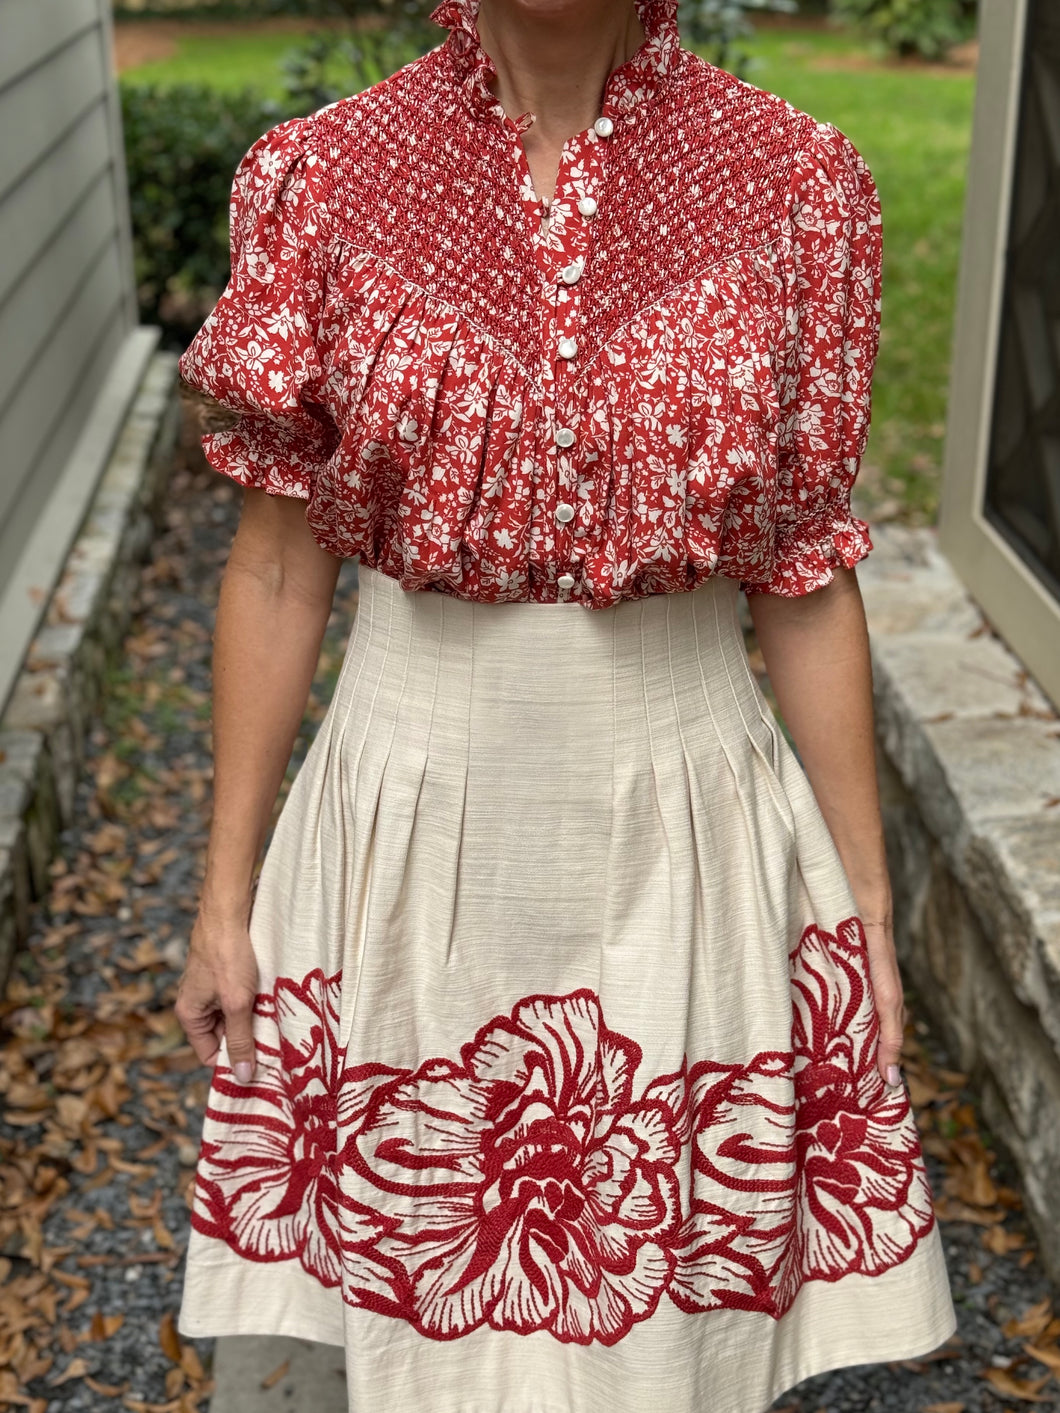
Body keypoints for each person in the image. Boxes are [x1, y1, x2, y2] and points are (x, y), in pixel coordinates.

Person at [172, 0, 957, 1408]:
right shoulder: (324, 178)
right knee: (433, 1323)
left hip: (691, 821)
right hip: (399, 823)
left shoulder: (795, 188)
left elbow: (802, 571)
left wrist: (870, 913)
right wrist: (225, 894)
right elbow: (280, 567)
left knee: (672, 1351)